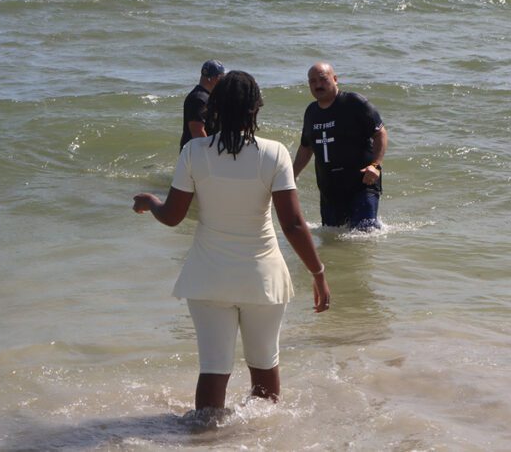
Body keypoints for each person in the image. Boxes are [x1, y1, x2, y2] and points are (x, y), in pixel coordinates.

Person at [134, 71, 331, 415]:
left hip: (209, 279)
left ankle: (204, 440)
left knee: (213, 369)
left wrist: (151, 201)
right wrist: (318, 273)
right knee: (264, 366)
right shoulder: (274, 153)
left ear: (215, 108)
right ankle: (261, 438)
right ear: (256, 108)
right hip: (262, 279)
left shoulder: (195, 152)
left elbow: (173, 216)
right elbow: (294, 224)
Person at [293, 62, 388, 230]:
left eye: (322, 79)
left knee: (364, 236)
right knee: (333, 241)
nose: (318, 85)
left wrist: (375, 166)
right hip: (330, 190)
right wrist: (291, 176)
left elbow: (380, 133)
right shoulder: (311, 112)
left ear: (335, 79)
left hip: (362, 184)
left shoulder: (355, 103)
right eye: (312, 81)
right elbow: (306, 148)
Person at [180, 60, 225, 149]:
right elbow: (197, 132)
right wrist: (210, 154)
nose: (222, 81)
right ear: (211, 78)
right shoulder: (198, 99)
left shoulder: (207, 96)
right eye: (221, 77)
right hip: (195, 155)